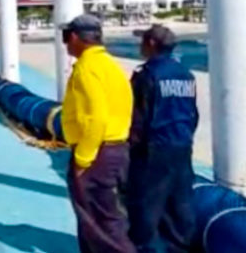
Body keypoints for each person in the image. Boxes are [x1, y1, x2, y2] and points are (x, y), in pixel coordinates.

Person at [60, 14, 135, 253]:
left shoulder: (86, 69)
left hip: (97, 153)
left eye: (67, 37)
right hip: (117, 148)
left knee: (101, 221)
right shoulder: (111, 66)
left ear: (74, 37)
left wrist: (83, 158)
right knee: (98, 218)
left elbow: (96, 117)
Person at [126, 25, 198, 253]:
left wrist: (130, 149)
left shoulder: (146, 76)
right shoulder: (186, 75)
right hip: (182, 146)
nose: (140, 46)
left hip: (153, 149)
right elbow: (193, 114)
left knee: (144, 206)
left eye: (143, 41)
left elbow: (137, 117)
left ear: (152, 44)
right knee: (179, 206)